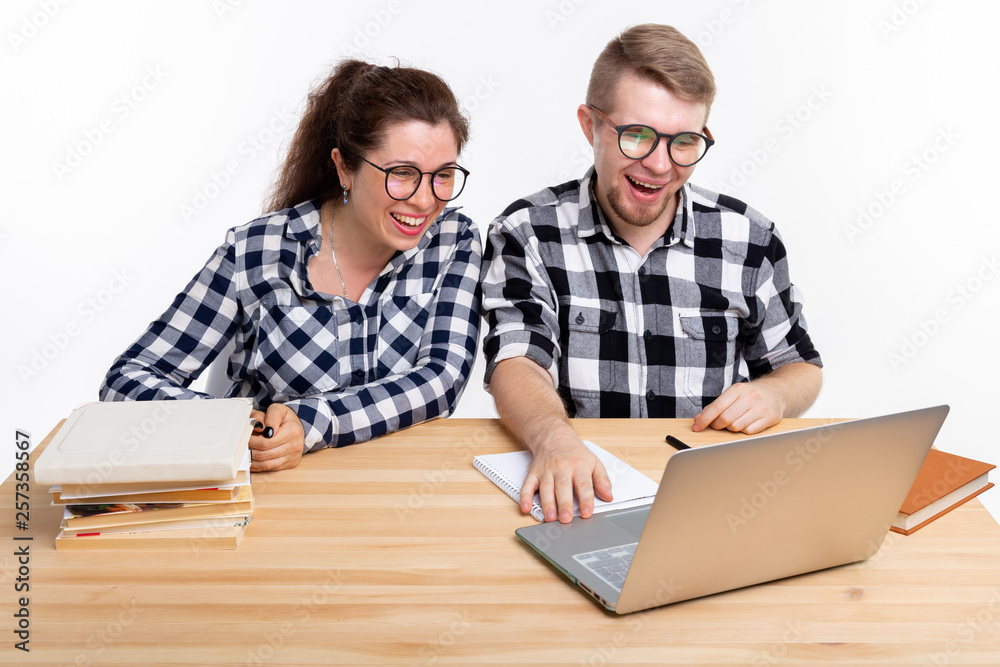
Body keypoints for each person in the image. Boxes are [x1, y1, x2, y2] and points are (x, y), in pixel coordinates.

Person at [479, 24, 823, 523]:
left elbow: (801, 367)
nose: (660, 165)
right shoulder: (526, 232)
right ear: (590, 126)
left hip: (715, 504)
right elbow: (517, 361)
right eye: (637, 135)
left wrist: (774, 394)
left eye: (684, 141)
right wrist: (554, 439)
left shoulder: (749, 237)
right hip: (584, 497)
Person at [101, 59, 481, 472]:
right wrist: (233, 425)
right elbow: (127, 381)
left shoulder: (453, 240)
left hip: (399, 489)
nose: (425, 200)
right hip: (273, 491)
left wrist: (313, 421)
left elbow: (441, 380)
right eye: (402, 173)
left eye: (443, 175)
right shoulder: (255, 252)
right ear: (344, 167)